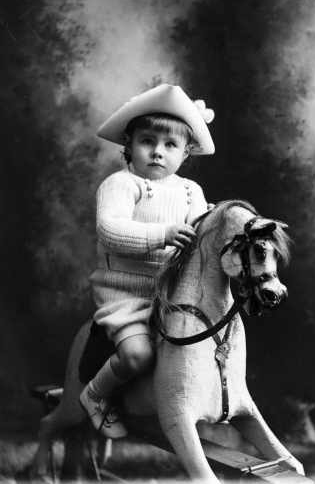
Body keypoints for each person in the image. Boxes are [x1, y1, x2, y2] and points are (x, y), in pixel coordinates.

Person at [79, 84, 215, 439]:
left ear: (186, 153)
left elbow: (198, 238)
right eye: (147, 141)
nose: (158, 152)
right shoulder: (121, 184)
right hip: (125, 295)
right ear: (129, 144)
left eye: (170, 145)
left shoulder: (190, 192)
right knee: (138, 355)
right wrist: (163, 234)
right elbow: (111, 230)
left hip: (171, 296)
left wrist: (212, 227)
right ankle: (94, 394)